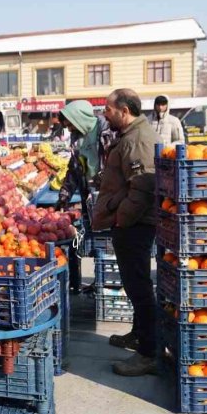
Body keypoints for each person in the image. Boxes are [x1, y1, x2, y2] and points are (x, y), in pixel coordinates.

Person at [91, 89, 158, 377]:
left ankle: (149, 353)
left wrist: (122, 219)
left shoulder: (138, 138)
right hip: (132, 222)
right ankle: (139, 334)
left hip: (136, 224)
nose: (105, 113)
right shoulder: (130, 135)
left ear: (124, 110)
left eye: (108, 109)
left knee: (140, 287)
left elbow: (143, 186)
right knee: (133, 284)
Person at [55, 100, 115, 292]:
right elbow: (74, 169)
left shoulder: (106, 131)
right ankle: (99, 281)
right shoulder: (76, 138)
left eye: (71, 123)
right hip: (89, 196)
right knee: (96, 239)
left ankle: (109, 282)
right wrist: (64, 196)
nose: (69, 128)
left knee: (109, 241)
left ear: (79, 117)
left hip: (108, 194)